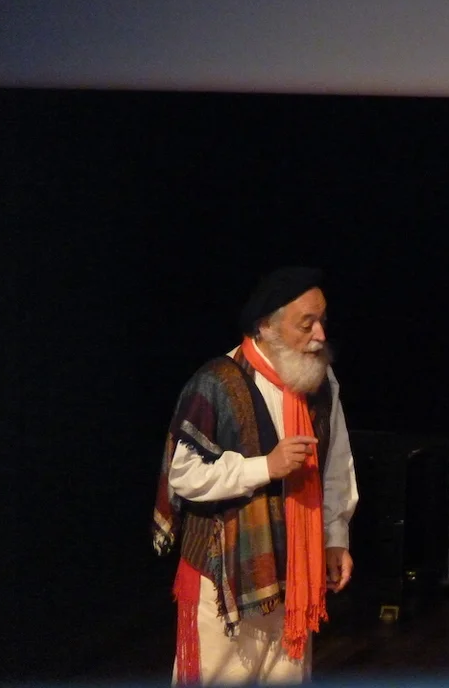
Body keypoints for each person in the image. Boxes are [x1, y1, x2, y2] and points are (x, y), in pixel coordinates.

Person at [152, 266, 358, 684]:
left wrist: (335, 537)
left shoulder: (320, 380)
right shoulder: (217, 382)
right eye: (306, 324)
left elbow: (336, 463)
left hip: (295, 566)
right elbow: (184, 475)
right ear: (267, 326)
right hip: (228, 573)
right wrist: (265, 466)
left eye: (322, 321)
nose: (320, 335)